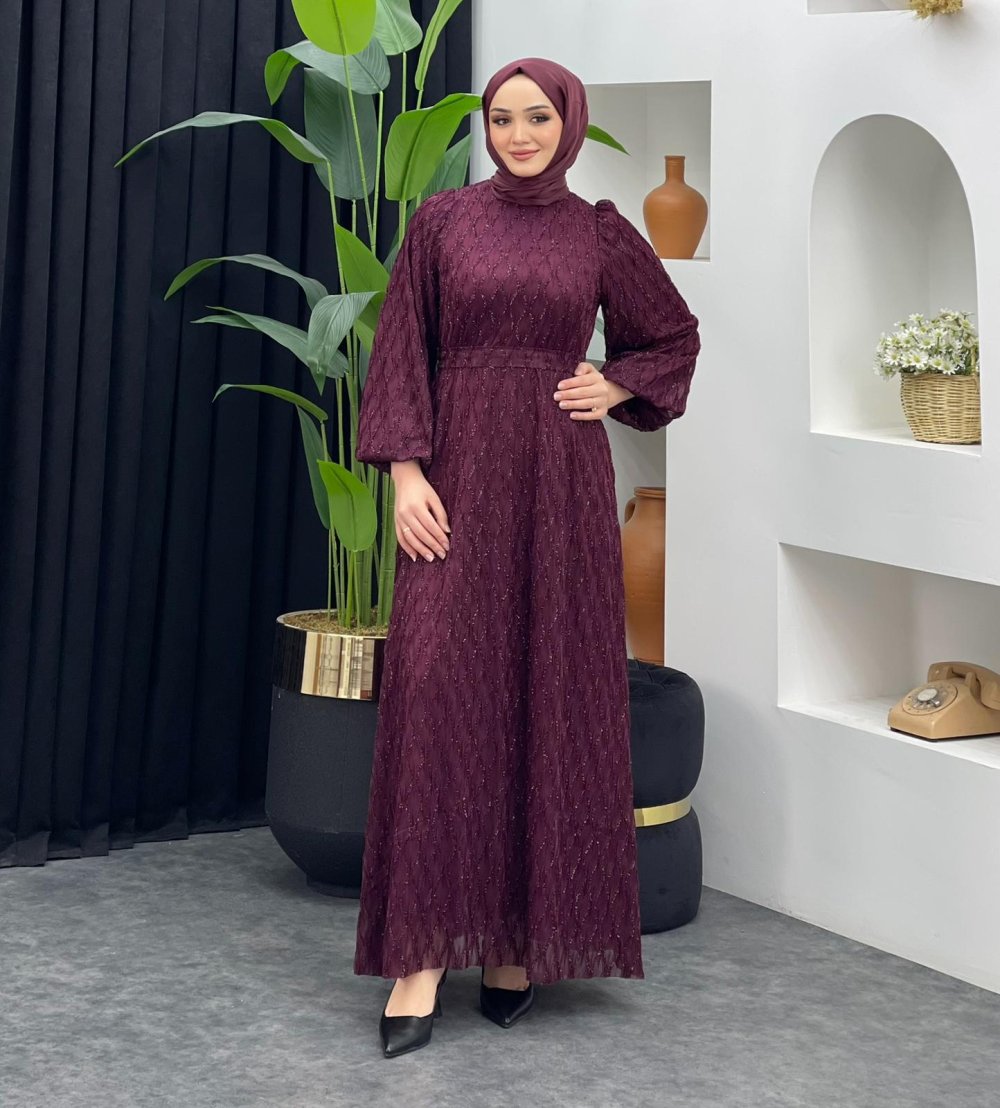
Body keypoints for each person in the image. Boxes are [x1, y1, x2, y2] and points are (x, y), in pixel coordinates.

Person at [352, 56, 701, 1058]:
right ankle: (420, 958)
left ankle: (516, 943)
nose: (518, 134)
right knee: (437, 694)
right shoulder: (443, 224)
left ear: (567, 123)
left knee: (543, 693)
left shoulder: (598, 231)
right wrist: (405, 475)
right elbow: (400, 347)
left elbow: (672, 337)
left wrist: (615, 383)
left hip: (559, 489)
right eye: (501, 118)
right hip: (455, 481)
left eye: (537, 116)